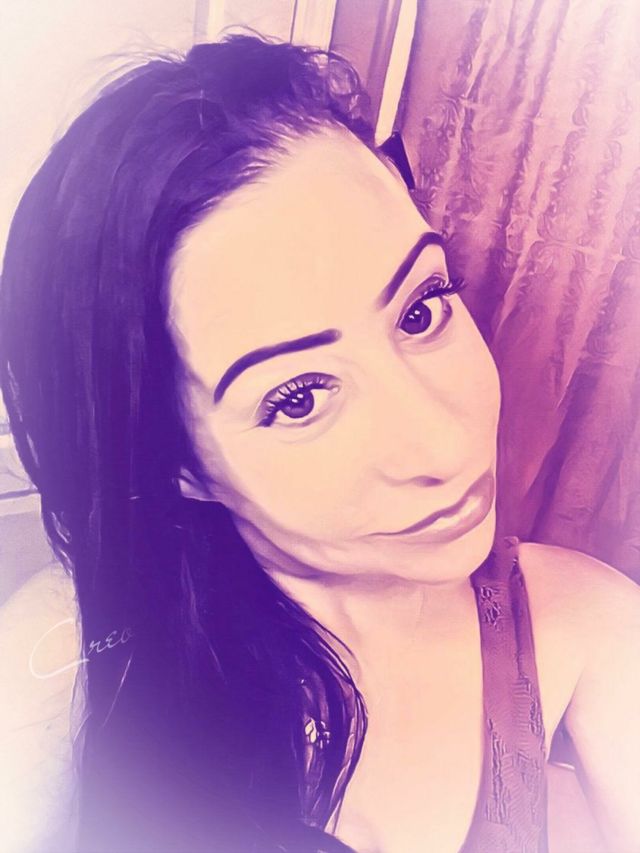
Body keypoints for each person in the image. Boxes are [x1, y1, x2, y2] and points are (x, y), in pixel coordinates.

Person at [0, 32, 638, 853]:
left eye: (421, 310)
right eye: (298, 397)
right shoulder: (70, 657)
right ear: (179, 465)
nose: (443, 440)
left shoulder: (580, 623)